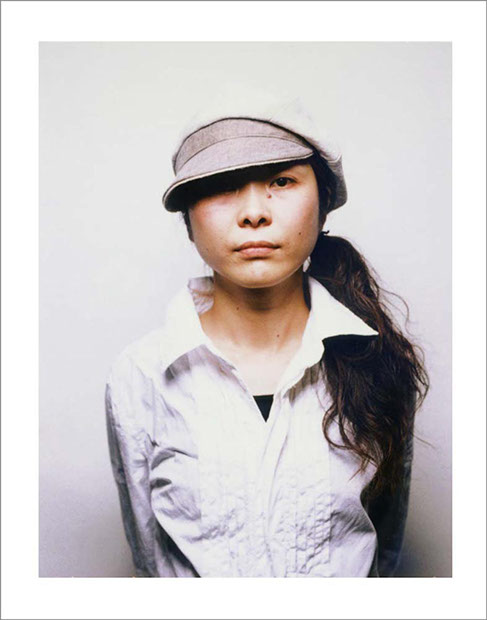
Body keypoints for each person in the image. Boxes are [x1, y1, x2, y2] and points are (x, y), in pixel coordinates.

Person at [105, 91, 429, 578]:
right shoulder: (141, 375)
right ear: (188, 220)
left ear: (323, 207)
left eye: (281, 181)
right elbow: (152, 563)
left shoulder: (375, 358)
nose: (254, 213)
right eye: (222, 185)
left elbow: (384, 554)